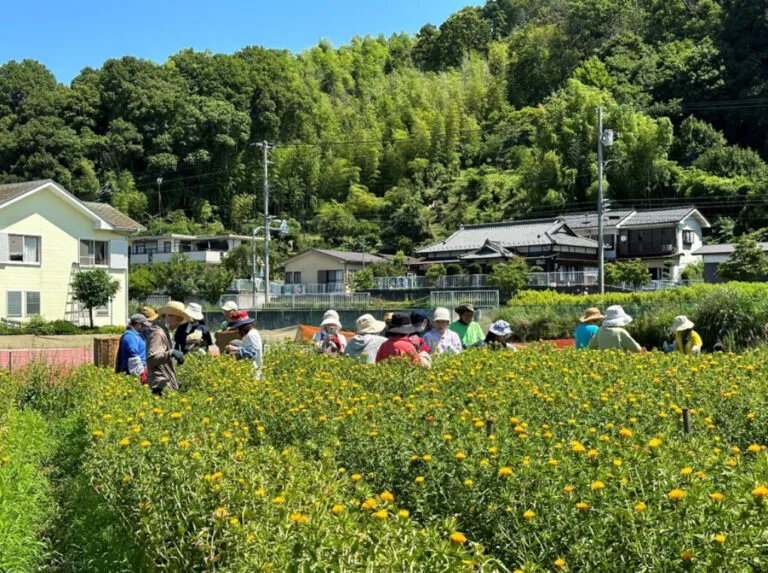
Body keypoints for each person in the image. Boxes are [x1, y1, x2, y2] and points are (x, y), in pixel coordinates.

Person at [147, 302, 188, 395]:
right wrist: (171, 353)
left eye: (180, 320)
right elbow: (151, 359)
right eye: (177, 319)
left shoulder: (164, 332)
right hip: (159, 385)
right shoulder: (158, 333)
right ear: (167, 316)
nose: (178, 323)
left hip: (164, 383)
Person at [116, 314, 150, 382]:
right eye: (143, 325)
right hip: (132, 372)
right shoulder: (130, 336)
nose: (144, 327)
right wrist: (141, 372)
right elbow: (133, 355)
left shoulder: (138, 334)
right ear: (138, 324)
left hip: (140, 369)